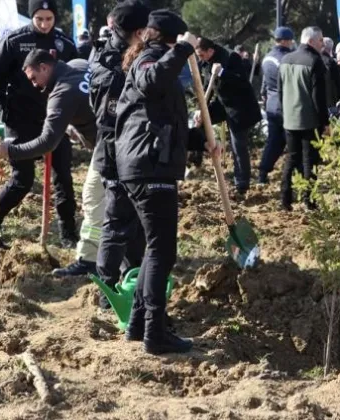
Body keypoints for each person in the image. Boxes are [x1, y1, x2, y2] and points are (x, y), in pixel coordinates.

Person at [114, 10, 218, 354]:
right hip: (148, 167)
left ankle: (139, 325)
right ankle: (155, 333)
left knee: (154, 249)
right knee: (163, 249)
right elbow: (150, 82)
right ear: (172, 38)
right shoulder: (150, 59)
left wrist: (195, 140)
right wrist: (183, 51)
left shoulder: (156, 59)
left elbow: (160, 121)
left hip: (149, 162)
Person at [53, 2, 149, 295]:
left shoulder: (104, 50)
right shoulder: (118, 60)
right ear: (137, 30)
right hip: (121, 144)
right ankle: (110, 274)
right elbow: (114, 109)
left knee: (116, 211)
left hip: (118, 143)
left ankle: (124, 272)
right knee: (111, 209)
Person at [0, 0, 78, 250]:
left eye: (49, 19)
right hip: (19, 119)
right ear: (32, 17)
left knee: (64, 178)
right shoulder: (14, 41)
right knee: (22, 179)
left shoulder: (64, 44)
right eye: (39, 19)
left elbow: (78, 76)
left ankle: (68, 233)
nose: (44, 24)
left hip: (55, 118)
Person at [0, 50, 95, 165]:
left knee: (96, 183)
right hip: (114, 129)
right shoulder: (80, 64)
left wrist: (9, 151)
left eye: (33, 78)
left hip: (107, 147)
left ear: (44, 68)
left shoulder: (60, 94)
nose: (34, 85)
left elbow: (46, 142)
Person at [194, 36, 261, 196]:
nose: (200, 58)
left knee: (238, 145)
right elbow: (205, 86)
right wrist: (200, 109)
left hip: (239, 107)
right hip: (222, 103)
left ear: (210, 51)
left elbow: (242, 82)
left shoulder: (231, 57)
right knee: (200, 123)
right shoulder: (204, 61)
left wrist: (222, 72)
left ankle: (242, 184)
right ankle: (196, 161)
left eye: (202, 55)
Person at [278, 26, 330, 211]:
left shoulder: (285, 59)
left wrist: (285, 114)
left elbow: (281, 91)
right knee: (310, 161)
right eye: (320, 40)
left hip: (289, 119)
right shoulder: (315, 61)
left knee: (291, 159)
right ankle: (310, 201)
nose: (322, 44)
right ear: (311, 41)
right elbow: (319, 98)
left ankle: (284, 200)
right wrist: (325, 122)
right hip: (309, 120)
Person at [257, 26, 294, 185]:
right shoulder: (286, 59)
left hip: (271, 105)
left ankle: (263, 173)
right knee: (292, 143)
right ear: (286, 41)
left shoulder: (267, 58)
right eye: (291, 41)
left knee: (273, 141)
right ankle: (291, 178)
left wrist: (265, 98)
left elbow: (264, 84)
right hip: (286, 105)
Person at [322, 37, 340, 113]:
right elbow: (338, 83)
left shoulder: (316, 60)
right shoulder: (332, 63)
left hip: (321, 101)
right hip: (332, 101)